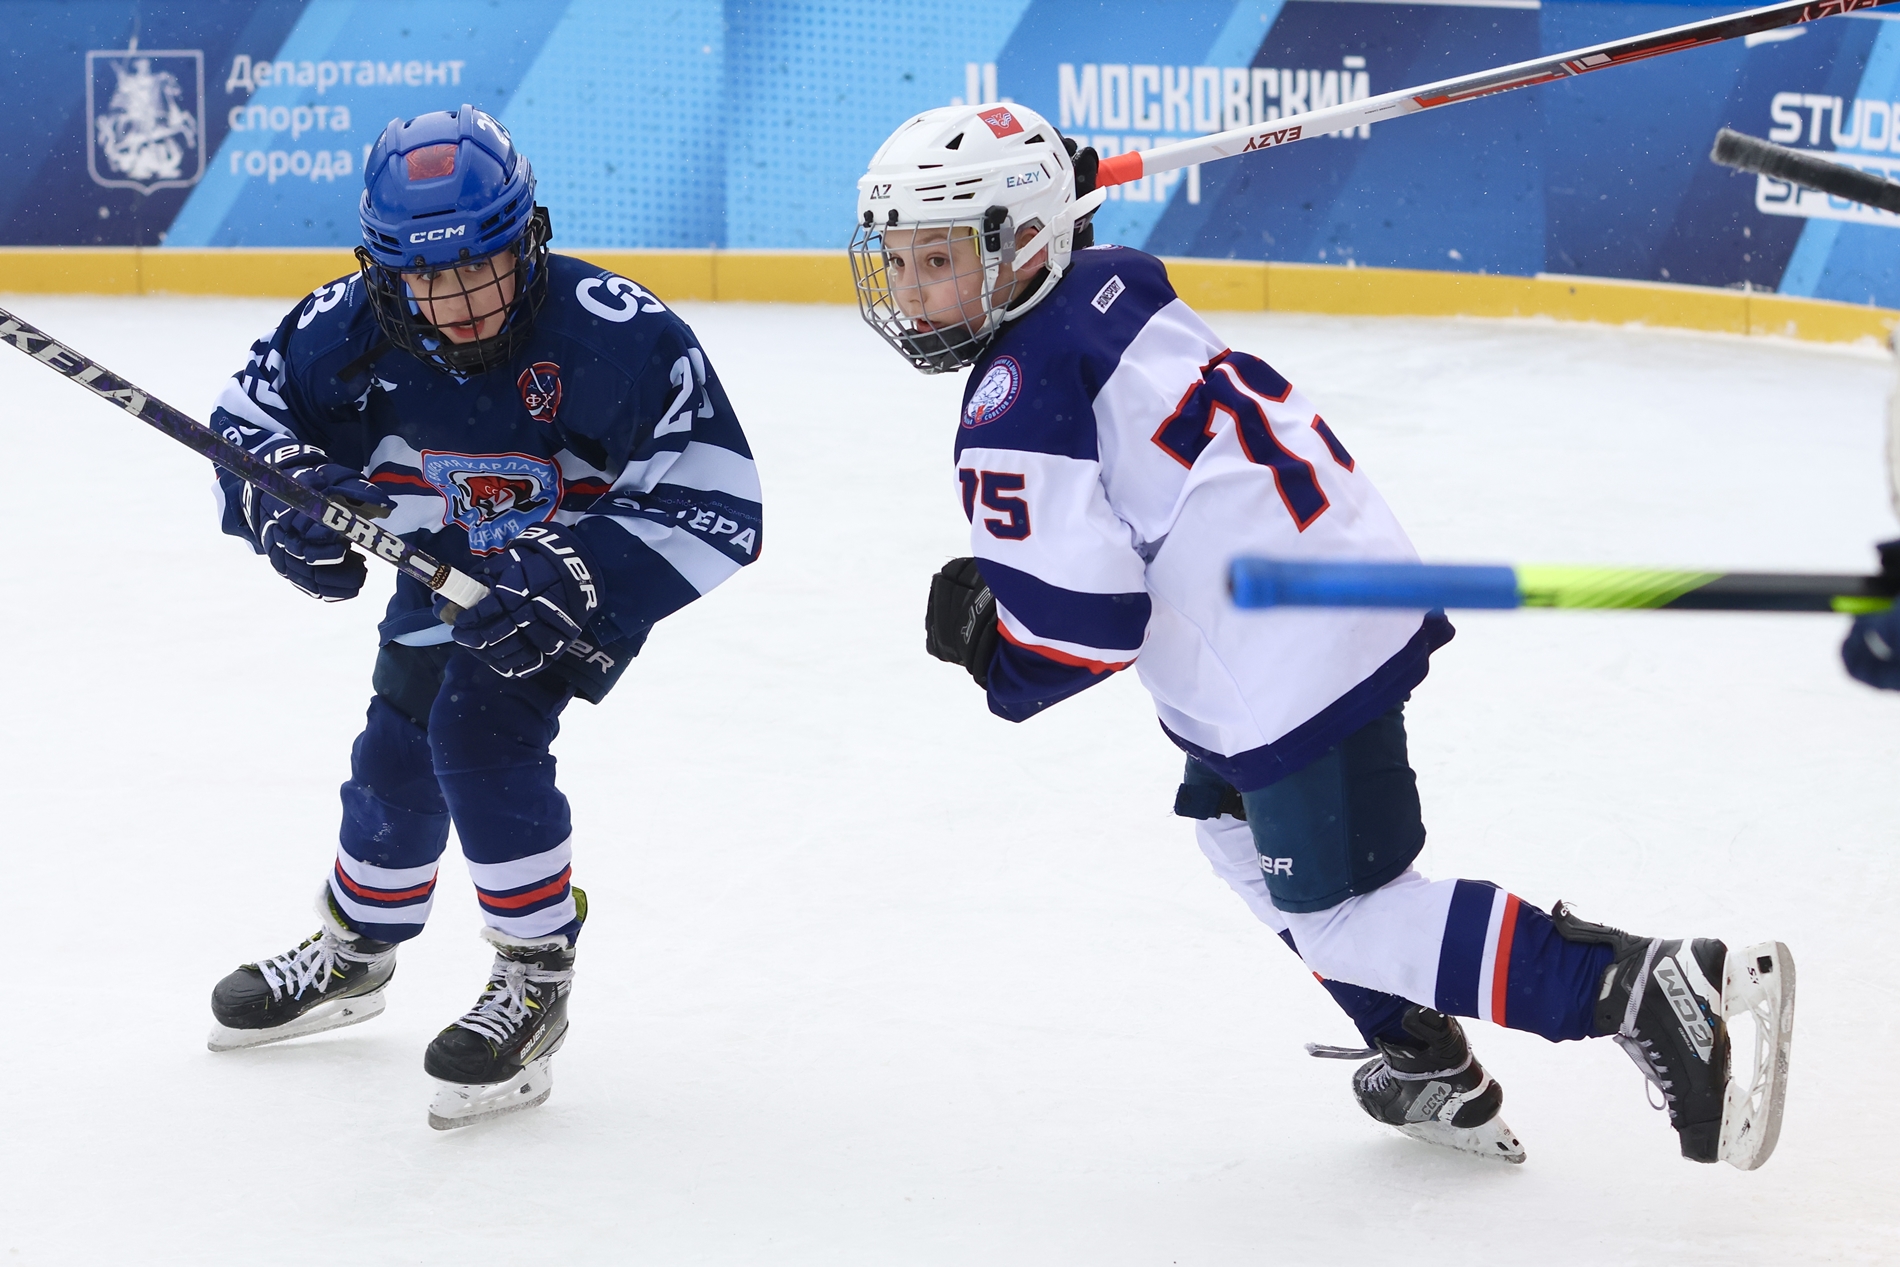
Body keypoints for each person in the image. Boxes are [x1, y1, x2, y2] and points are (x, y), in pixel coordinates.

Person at [849, 102, 1793, 1167]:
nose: (913, 290)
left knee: (1347, 914)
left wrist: (993, 648)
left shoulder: (1010, 405)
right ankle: (1420, 1052)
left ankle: (1635, 986)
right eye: (901, 259)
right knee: (1233, 831)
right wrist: (1061, 198)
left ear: (1023, 240)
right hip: (1337, 583)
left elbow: (1087, 631)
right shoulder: (1117, 280)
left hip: (1276, 663)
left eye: (938, 258)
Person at [202, 106, 762, 1129]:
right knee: (397, 746)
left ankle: (535, 974)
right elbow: (247, 432)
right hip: (442, 566)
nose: (458, 300)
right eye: (426, 276)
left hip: (575, 573)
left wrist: (580, 577)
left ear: (528, 236)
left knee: (478, 727)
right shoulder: (336, 333)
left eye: (483, 265)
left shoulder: (618, 335)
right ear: (380, 271)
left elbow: (722, 501)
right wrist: (289, 507)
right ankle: (357, 947)